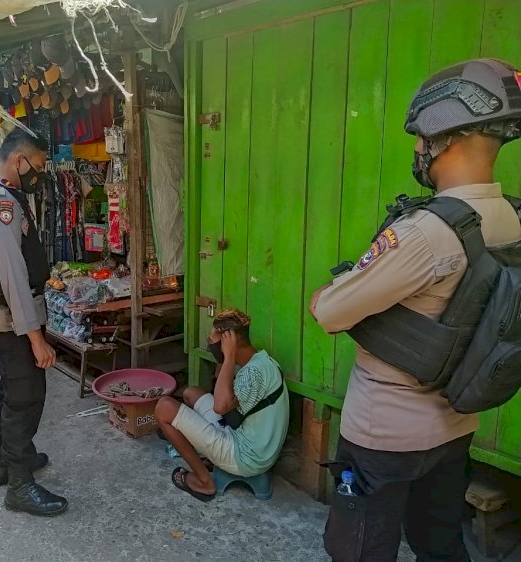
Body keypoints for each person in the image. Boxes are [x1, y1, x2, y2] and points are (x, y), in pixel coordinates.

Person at [309, 58, 521, 562]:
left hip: (384, 437)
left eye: (420, 141)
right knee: (441, 544)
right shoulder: (511, 218)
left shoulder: (426, 233)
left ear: (442, 136)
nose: (417, 152)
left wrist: (329, 295)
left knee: (359, 551)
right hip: (455, 426)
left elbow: (329, 312)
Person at [0, 127, 67, 517]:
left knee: (10, 388)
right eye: (38, 166)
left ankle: (6, 462)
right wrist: (36, 338)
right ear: (18, 160)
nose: (39, 174)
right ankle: (19, 485)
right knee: (25, 396)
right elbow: (12, 275)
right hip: (12, 319)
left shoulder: (1, 196)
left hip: (9, 317)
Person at [155, 309, 289, 502]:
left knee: (164, 407)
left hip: (245, 456)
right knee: (191, 393)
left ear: (229, 342)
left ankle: (204, 482)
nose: (210, 344)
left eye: (213, 341)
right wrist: (227, 359)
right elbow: (225, 393)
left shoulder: (253, 373)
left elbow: (220, 406)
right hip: (247, 436)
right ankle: (202, 453)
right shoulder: (261, 361)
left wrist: (228, 357)